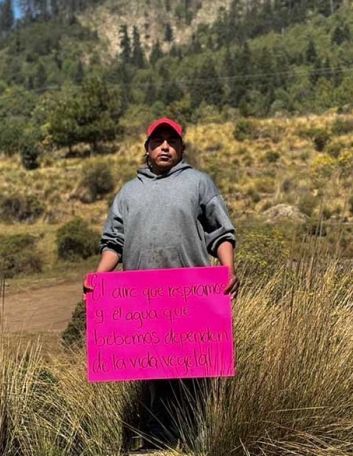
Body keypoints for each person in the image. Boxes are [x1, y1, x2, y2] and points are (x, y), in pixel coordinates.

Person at [83, 117, 239, 450]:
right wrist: (99, 277)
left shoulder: (198, 183)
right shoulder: (129, 192)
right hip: (143, 307)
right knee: (154, 381)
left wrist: (228, 268)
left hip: (193, 302)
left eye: (172, 140)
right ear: (147, 148)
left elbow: (219, 231)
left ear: (182, 147)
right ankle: (158, 445)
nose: (165, 146)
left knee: (196, 381)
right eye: (158, 141)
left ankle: (199, 444)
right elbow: (113, 241)